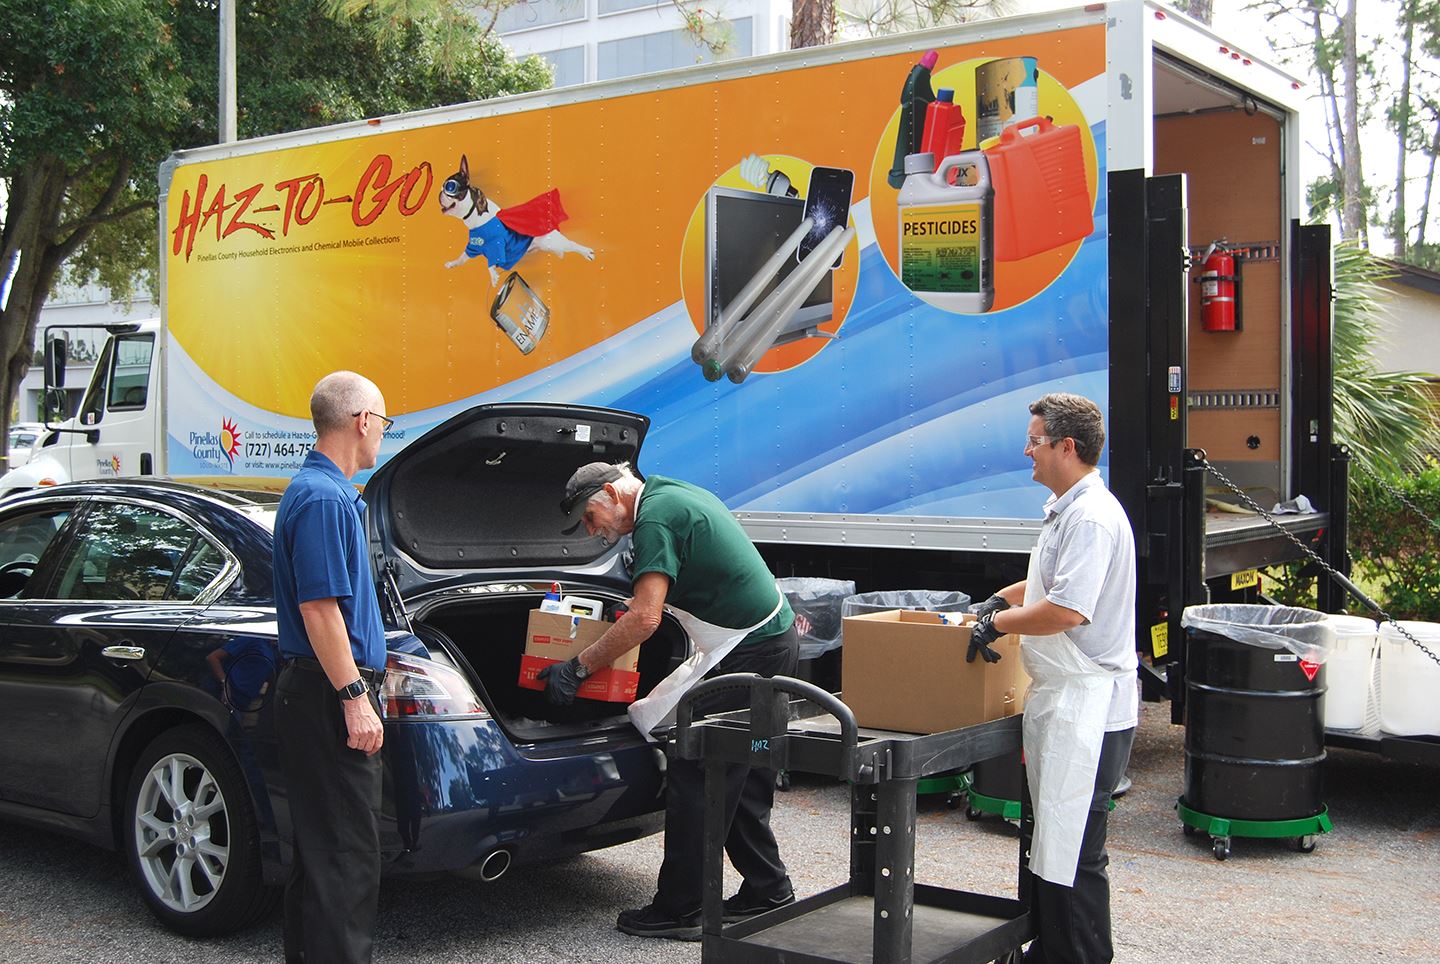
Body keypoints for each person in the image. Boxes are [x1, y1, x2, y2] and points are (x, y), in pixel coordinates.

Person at [542, 462, 799, 941]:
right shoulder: (669, 491)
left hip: (750, 646)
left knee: (696, 765)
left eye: (590, 516)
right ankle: (769, 888)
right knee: (739, 770)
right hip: (771, 639)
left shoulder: (654, 519)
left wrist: (578, 667)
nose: (592, 530)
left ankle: (682, 908)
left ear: (611, 493)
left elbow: (644, 619)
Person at [966, 393, 1137, 964]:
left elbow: (1067, 611)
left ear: (1067, 447)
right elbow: (1046, 586)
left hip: (1089, 706)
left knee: (1076, 850)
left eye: (1035, 441)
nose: (1027, 451)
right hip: (1065, 703)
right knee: (1052, 842)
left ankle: (1081, 957)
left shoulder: (1090, 517)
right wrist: (999, 599)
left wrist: (997, 625)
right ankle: (1050, 950)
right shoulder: (1069, 508)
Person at [272, 371, 393, 964]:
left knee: (322, 858)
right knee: (345, 860)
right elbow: (319, 610)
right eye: (385, 423)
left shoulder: (324, 493)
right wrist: (354, 697)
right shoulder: (322, 499)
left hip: (317, 694)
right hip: (327, 697)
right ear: (362, 421)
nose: (383, 437)